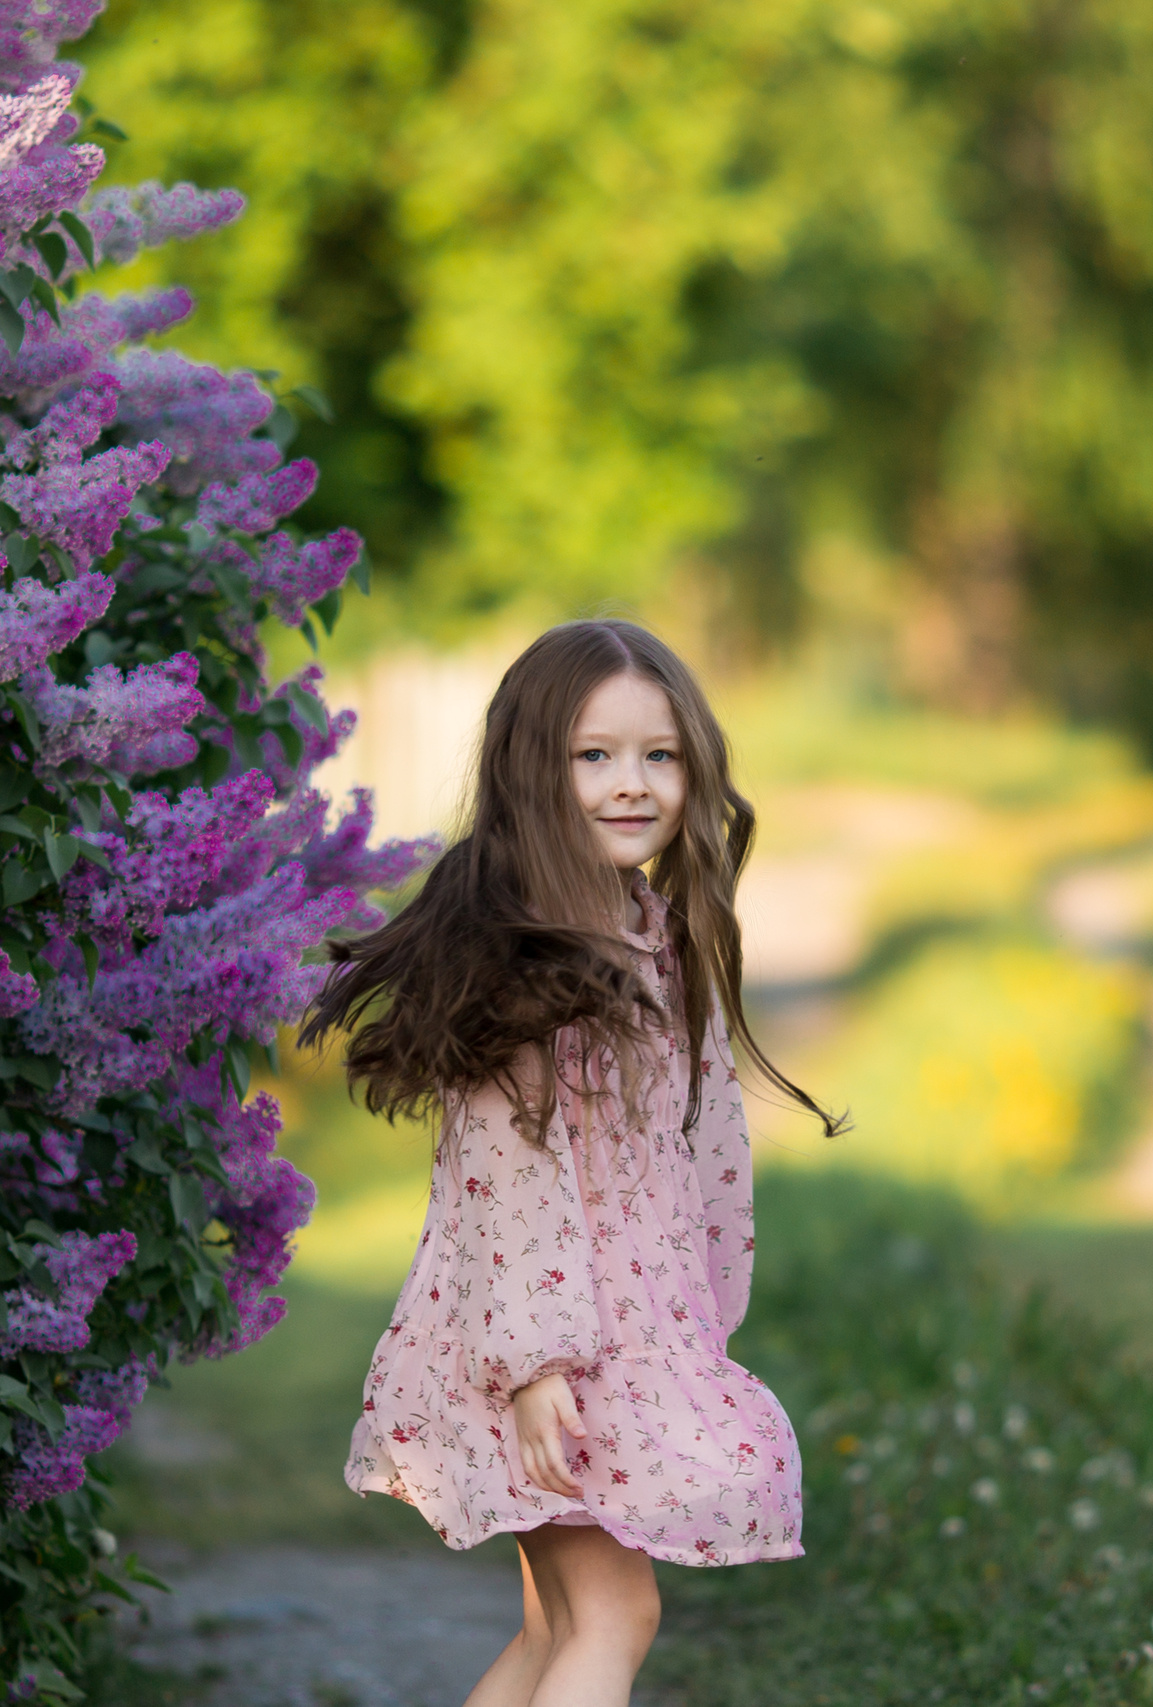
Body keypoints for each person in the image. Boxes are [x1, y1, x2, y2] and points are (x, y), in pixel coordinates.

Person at [302, 619, 845, 1706]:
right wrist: (537, 1366)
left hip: (616, 1331)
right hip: (549, 1343)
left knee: (560, 1624)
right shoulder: (527, 951)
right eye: (592, 756)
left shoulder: (649, 927)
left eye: (661, 755)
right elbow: (507, 1171)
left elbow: (696, 1151)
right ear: (530, 769)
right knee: (612, 1613)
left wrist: (695, 1325)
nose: (631, 784)